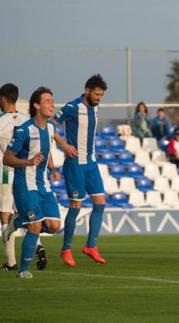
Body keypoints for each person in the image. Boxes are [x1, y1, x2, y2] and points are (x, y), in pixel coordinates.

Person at [2, 87, 61, 279]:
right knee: (35, 226)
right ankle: (23, 270)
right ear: (36, 105)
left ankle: (18, 221)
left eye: (52, 100)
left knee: (53, 226)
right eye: (47, 101)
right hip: (24, 184)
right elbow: (7, 159)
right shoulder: (24, 130)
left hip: (43, 184)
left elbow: (47, 150)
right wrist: (27, 161)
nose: (52, 104)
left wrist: (53, 169)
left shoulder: (51, 128)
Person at [53, 74, 108, 267]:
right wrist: (64, 145)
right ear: (87, 90)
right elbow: (50, 124)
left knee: (100, 203)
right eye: (96, 94)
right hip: (75, 164)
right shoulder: (72, 107)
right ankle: (66, 249)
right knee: (75, 206)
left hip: (91, 163)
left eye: (101, 95)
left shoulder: (95, 107)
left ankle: (90, 246)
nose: (98, 98)